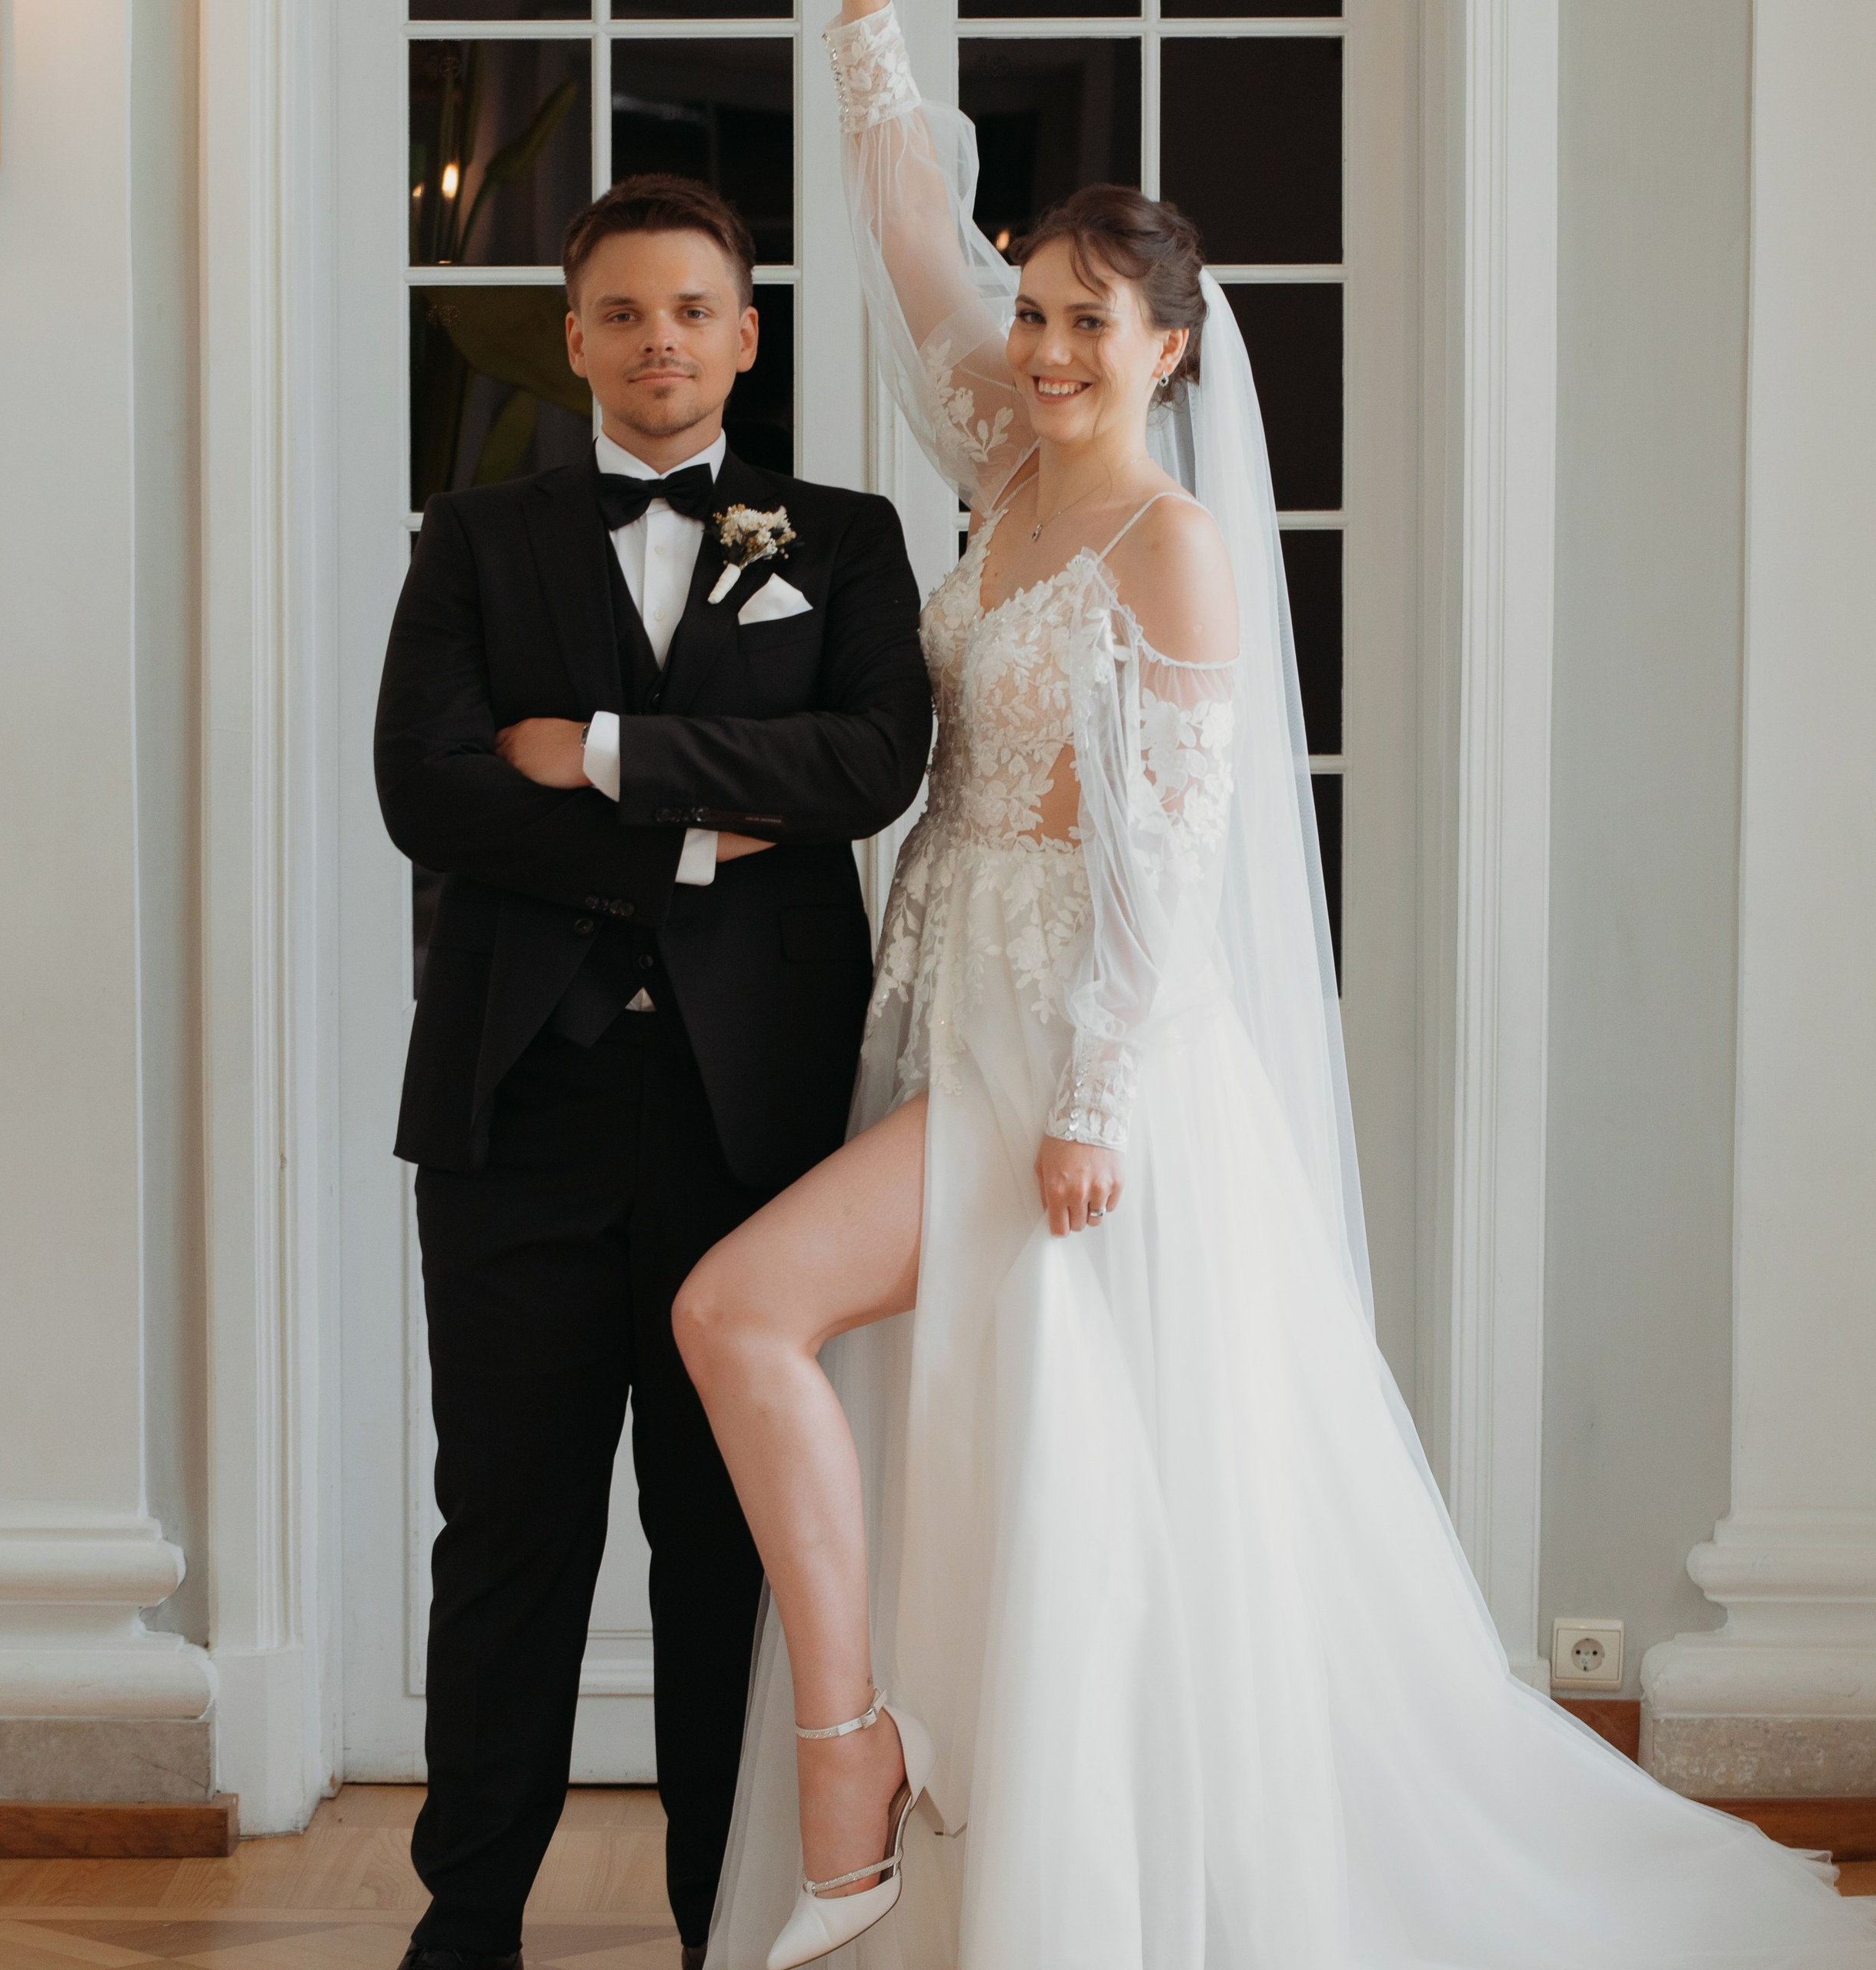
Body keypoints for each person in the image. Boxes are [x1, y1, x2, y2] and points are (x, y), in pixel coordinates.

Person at [668, 8, 1876, 1968]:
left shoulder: (1173, 547)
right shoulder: (1004, 469)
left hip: (1068, 1052)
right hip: (946, 1011)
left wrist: (1089, 1101)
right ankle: (964, 1855)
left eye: (1088, 323)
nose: (1044, 349)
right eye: (1033, 313)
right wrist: (865, 42)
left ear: (1170, 348)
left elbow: (1172, 853)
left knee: (753, 1312)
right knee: (995, 1446)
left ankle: (873, 1770)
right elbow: (909, 247)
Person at [374, 172, 933, 1970]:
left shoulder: (838, 539)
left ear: (745, 334)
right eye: (619, 312)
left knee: (723, 1548)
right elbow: (426, 789)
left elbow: (869, 763)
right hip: (513, 1110)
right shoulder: (476, 537)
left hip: (749, 1124)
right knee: (506, 1531)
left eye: (691, 309)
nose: (657, 341)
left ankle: (721, 1922)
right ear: (573, 338)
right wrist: (703, 837)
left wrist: (607, 754)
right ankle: (464, 1924)